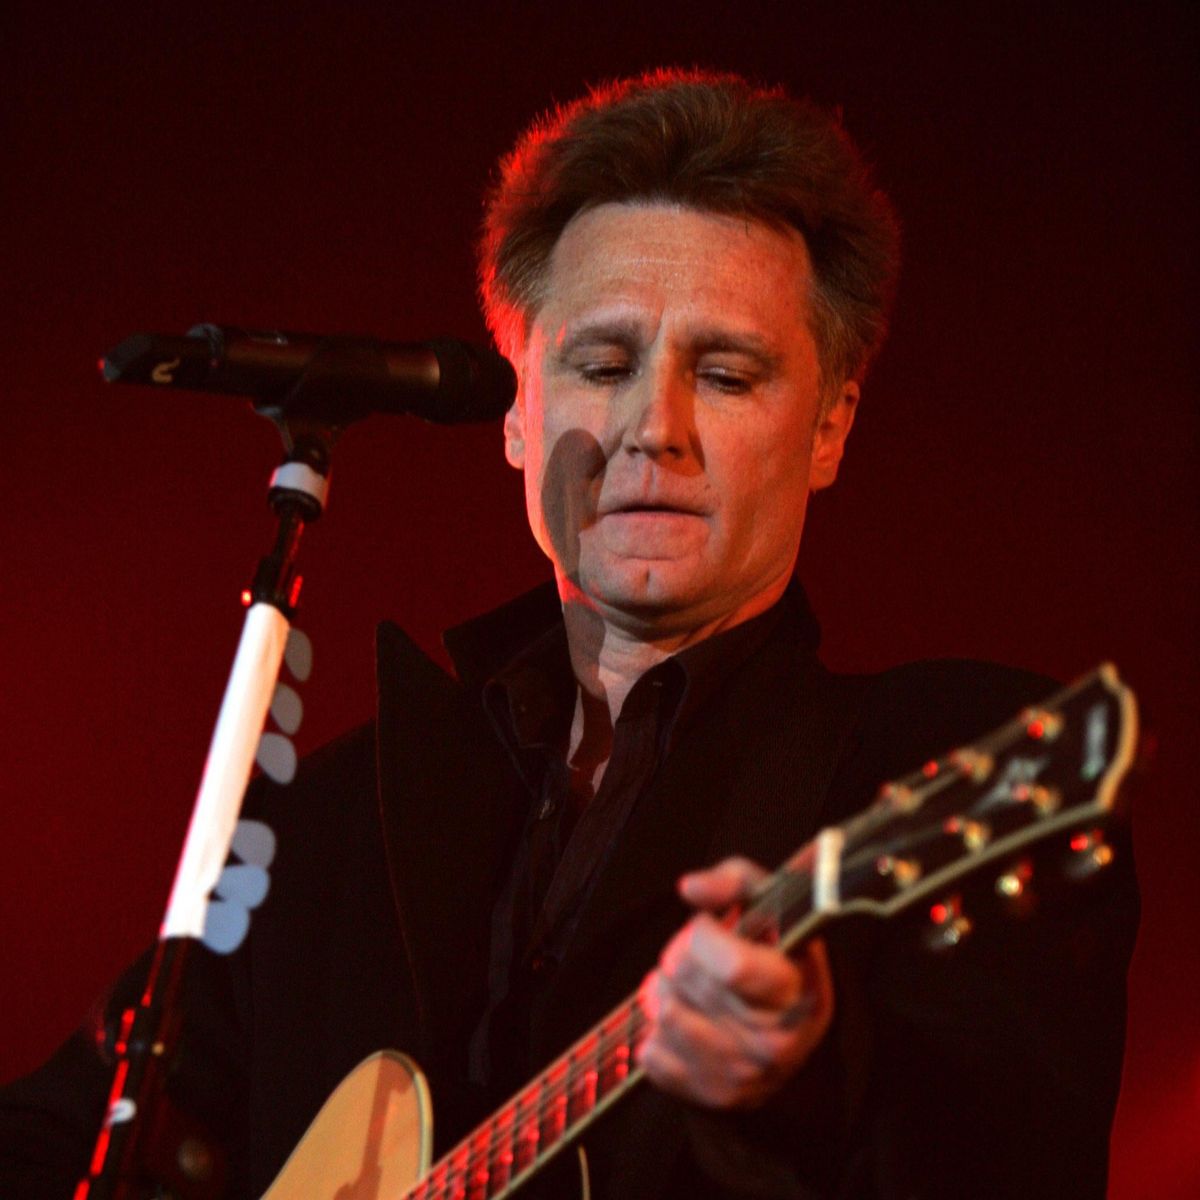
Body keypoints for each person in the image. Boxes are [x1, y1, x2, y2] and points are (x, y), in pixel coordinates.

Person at [0, 69, 1136, 1198]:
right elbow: (57, 1144)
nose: (656, 429)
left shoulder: (935, 758)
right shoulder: (333, 823)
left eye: (726, 374)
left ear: (830, 428)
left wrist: (797, 1087)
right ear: (517, 411)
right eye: (603, 365)